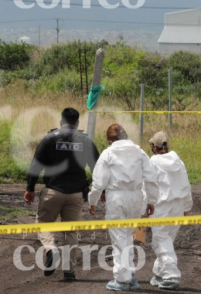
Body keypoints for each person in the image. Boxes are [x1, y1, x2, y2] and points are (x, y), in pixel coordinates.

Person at [24, 107, 100, 281]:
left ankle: (51, 249)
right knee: (71, 232)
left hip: (53, 192)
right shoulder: (85, 140)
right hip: (76, 194)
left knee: (43, 224)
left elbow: (36, 166)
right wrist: (100, 190)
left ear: (61, 122)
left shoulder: (50, 138)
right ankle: (69, 272)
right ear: (77, 123)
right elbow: (98, 167)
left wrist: (29, 189)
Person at [88, 124, 159, 291]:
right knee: (127, 237)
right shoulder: (139, 152)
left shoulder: (108, 153)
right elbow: (151, 178)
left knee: (119, 238)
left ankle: (122, 280)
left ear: (110, 140)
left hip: (117, 197)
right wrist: (152, 200)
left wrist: (93, 200)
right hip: (135, 197)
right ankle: (130, 276)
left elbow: (99, 182)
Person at [148, 131, 193, 290]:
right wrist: (186, 207)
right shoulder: (178, 161)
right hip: (178, 206)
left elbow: (147, 186)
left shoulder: (152, 162)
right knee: (166, 240)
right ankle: (159, 273)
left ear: (154, 146)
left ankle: (171, 275)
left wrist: (143, 205)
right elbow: (186, 186)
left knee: (161, 240)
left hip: (161, 206)